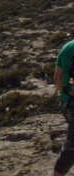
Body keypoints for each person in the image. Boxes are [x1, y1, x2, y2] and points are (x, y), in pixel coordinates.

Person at [52, 39, 74, 175]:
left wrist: (64, 95)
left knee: (71, 145)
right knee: (71, 146)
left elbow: (56, 77)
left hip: (67, 103)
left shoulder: (67, 47)